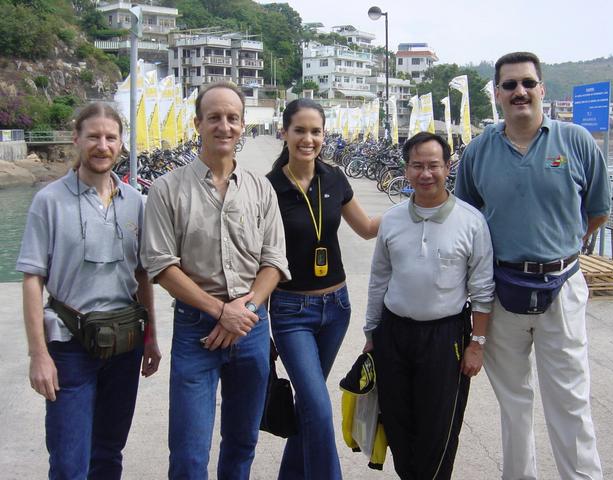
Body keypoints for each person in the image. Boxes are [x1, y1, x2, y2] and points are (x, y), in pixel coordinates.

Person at [455, 51, 610, 480]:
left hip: (562, 286)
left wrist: (562, 245)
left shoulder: (576, 140)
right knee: (514, 400)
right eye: (509, 85)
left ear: (542, 89)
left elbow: (597, 210)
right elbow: (468, 218)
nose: (519, 91)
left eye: (527, 83)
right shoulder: (479, 150)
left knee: (570, 399)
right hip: (501, 288)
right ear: (498, 95)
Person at [141, 82, 290, 480]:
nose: (224, 126)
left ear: (242, 125)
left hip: (251, 328)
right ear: (197, 124)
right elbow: (160, 265)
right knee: (189, 453)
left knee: (242, 442)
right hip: (197, 331)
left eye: (232, 118)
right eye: (214, 117)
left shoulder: (261, 189)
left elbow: (274, 261)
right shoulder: (167, 189)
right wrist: (220, 312)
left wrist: (245, 309)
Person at [16, 102, 161, 479]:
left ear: (121, 144)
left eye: (111, 137)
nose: (102, 145)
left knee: (109, 452)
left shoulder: (135, 202)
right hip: (69, 346)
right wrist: (38, 355)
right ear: (77, 139)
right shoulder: (49, 201)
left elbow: (142, 275)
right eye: (93, 136)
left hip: (125, 343)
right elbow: (33, 279)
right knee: (68, 460)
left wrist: (150, 339)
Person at [364, 132, 494, 480]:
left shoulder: (471, 221)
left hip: (445, 336)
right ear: (406, 170)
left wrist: (477, 345)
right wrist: (371, 333)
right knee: (397, 423)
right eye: (417, 166)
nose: (426, 174)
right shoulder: (392, 218)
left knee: (438, 430)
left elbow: (483, 289)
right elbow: (379, 279)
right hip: (393, 333)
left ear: (448, 167)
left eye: (434, 165)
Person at [266, 98, 380, 480]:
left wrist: (421, 205)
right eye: (300, 130)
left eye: (315, 131)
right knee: (317, 406)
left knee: (308, 407)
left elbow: (366, 228)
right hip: (290, 311)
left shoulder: (335, 178)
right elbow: (258, 256)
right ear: (284, 132)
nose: (308, 139)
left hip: (337, 308)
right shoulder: (269, 189)